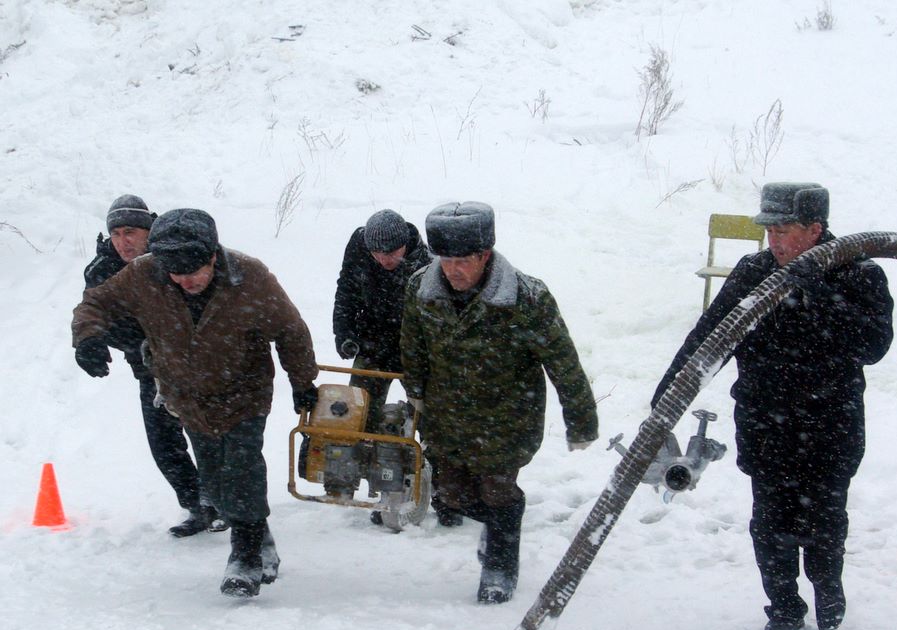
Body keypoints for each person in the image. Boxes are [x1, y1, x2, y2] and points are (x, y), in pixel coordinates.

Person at [652, 183, 894, 630]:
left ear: (816, 229)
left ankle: (828, 590)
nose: (776, 243)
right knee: (770, 522)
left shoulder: (859, 274)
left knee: (824, 520)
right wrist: (669, 394)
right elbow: (710, 337)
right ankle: (783, 605)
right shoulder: (754, 273)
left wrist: (818, 295)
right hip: (768, 422)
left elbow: (874, 345)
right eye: (771, 232)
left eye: (785, 232)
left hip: (829, 424)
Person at [72, 208, 319, 598]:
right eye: (176, 273)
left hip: (244, 392)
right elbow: (95, 303)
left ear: (213, 256)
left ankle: (245, 555)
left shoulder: (250, 277)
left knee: (241, 467)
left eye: (194, 272)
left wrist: (303, 382)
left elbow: (290, 330)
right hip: (185, 395)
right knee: (216, 482)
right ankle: (259, 534)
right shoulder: (145, 273)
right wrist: (87, 339)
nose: (185, 280)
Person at [401, 201, 599, 603]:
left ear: (484, 255)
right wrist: (415, 395)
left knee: (498, 492)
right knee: (449, 494)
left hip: (506, 417)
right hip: (447, 416)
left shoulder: (526, 297)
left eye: (463, 261)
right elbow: (413, 346)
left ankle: (500, 567)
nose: (453, 270)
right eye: (445, 260)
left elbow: (563, 362)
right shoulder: (421, 291)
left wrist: (581, 420)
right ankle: (495, 528)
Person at [82, 194, 224, 537]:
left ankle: (222, 502)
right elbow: (95, 312)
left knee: (210, 438)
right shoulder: (101, 270)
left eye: (130, 231)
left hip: (199, 366)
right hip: (150, 371)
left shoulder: (176, 255)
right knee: (163, 445)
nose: (123, 241)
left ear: (148, 230)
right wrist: (92, 342)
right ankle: (197, 506)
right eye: (115, 233)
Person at [330, 209, 456, 526]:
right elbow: (346, 288)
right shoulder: (358, 246)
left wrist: (428, 357)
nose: (385, 260)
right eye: (378, 254)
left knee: (432, 419)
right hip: (371, 343)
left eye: (392, 254)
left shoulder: (426, 262)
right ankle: (381, 485)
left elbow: (437, 315)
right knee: (360, 412)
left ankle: (445, 495)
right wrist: (344, 333)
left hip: (413, 347)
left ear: (404, 246)